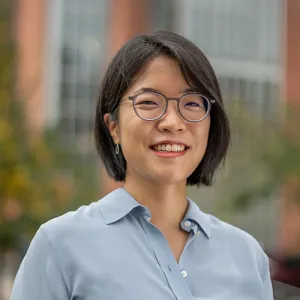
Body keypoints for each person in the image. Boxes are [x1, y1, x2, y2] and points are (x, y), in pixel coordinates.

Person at [10, 30, 274, 299]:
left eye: (192, 103)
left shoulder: (247, 256)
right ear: (113, 127)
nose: (172, 122)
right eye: (149, 102)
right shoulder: (60, 244)